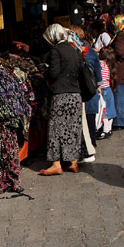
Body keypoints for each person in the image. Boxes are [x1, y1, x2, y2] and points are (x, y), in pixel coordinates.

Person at [39, 24, 84, 175]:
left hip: (61, 95)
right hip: (76, 95)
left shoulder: (56, 51)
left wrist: (44, 75)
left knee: (55, 129)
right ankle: (73, 162)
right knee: (73, 128)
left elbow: (53, 73)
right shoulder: (74, 49)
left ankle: (56, 164)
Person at [69, 25, 101, 163]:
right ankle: (91, 145)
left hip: (79, 91)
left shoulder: (72, 52)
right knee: (90, 120)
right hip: (91, 91)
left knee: (81, 122)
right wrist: (98, 85)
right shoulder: (92, 52)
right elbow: (98, 75)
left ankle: (85, 151)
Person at [97, 46, 117, 139]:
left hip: (103, 89)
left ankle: (104, 130)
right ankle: (109, 129)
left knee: (104, 111)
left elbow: (100, 78)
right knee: (110, 110)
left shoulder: (101, 64)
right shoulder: (111, 65)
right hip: (108, 89)